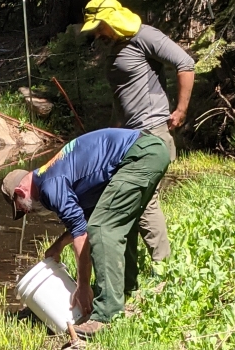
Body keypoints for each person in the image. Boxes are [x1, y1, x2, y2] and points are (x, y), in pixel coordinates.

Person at [1, 128, 170, 337]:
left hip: (140, 154)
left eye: (23, 208)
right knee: (116, 221)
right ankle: (126, 288)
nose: (30, 211)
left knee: (102, 228)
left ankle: (106, 315)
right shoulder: (51, 175)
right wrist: (58, 245)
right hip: (148, 150)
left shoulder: (49, 186)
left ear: (20, 192)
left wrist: (82, 286)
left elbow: (83, 232)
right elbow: (83, 220)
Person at [81, 0, 195, 262]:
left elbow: (186, 64)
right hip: (128, 138)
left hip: (152, 133)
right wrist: (112, 136)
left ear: (112, 20)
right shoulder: (116, 47)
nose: (97, 34)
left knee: (143, 200)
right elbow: (121, 97)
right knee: (137, 200)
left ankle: (162, 265)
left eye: (99, 27)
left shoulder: (145, 36)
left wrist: (180, 111)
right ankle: (142, 264)